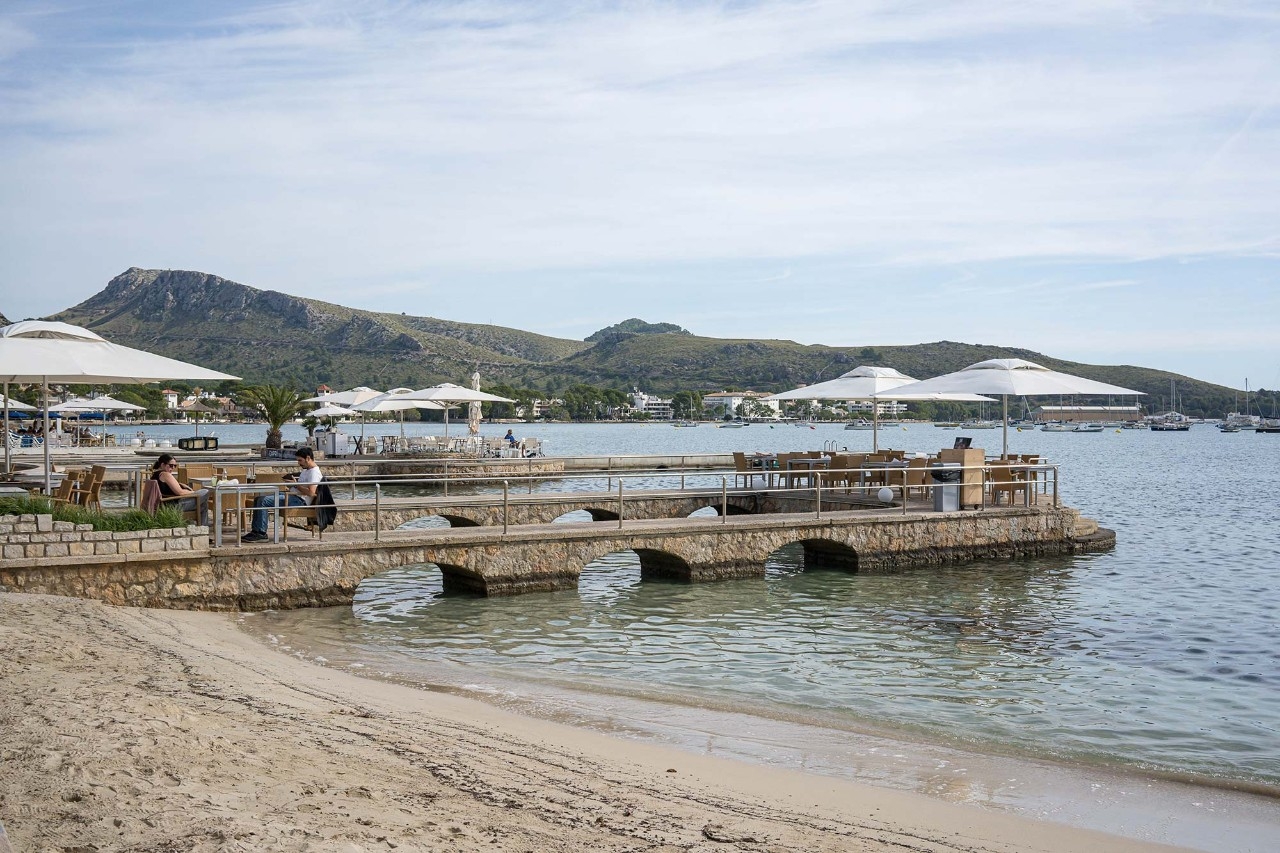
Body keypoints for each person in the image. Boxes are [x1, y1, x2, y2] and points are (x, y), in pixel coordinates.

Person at [242, 447, 322, 543]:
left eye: (300, 460)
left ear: (308, 458)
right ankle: (256, 531)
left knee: (263, 501)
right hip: (292, 496)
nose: (299, 463)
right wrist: (292, 485)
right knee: (259, 498)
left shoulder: (314, 472)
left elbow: (311, 493)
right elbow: (300, 487)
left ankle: (261, 533)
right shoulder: (306, 470)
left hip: (299, 501)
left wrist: (296, 485)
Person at [150, 454, 210, 525]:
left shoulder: (155, 475)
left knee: (203, 505)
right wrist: (194, 492)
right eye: (170, 465)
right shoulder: (165, 474)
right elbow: (180, 493)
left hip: (165, 504)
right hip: (173, 506)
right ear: (162, 465)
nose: (172, 468)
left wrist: (181, 485)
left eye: (174, 466)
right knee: (205, 491)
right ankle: (203, 527)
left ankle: (203, 528)